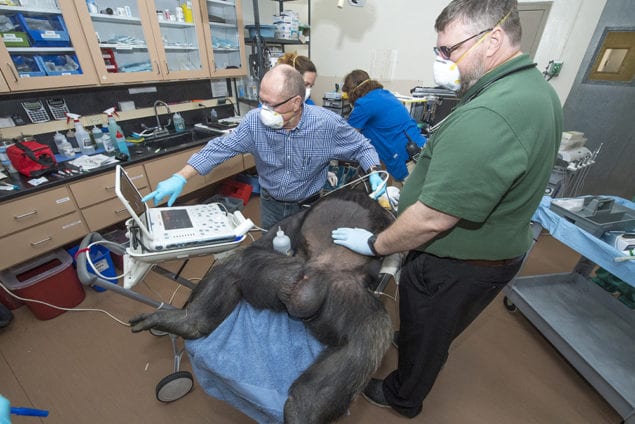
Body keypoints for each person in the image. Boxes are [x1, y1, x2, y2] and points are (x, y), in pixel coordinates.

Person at [331, 0, 562, 418]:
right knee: (429, 327)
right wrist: (418, 190)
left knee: (430, 333)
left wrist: (376, 243)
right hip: (494, 251)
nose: (443, 60)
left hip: (458, 261)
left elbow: (435, 218)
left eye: (448, 50)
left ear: (492, 41)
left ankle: (404, 395)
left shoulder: (491, 112)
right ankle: (417, 340)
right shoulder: (535, 90)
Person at [142, 64, 383, 230]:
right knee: (272, 254)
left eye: (271, 104)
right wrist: (181, 176)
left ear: (296, 102)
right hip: (271, 204)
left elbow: (362, 147)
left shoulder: (326, 124)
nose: (263, 110)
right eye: (261, 101)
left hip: (308, 204)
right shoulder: (254, 122)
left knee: (304, 255)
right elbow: (219, 148)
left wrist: (374, 172)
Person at [343, 70, 426, 183]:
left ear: (351, 91)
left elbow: (347, 137)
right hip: (420, 151)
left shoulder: (364, 104)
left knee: (410, 199)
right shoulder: (385, 94)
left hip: (407, 160)